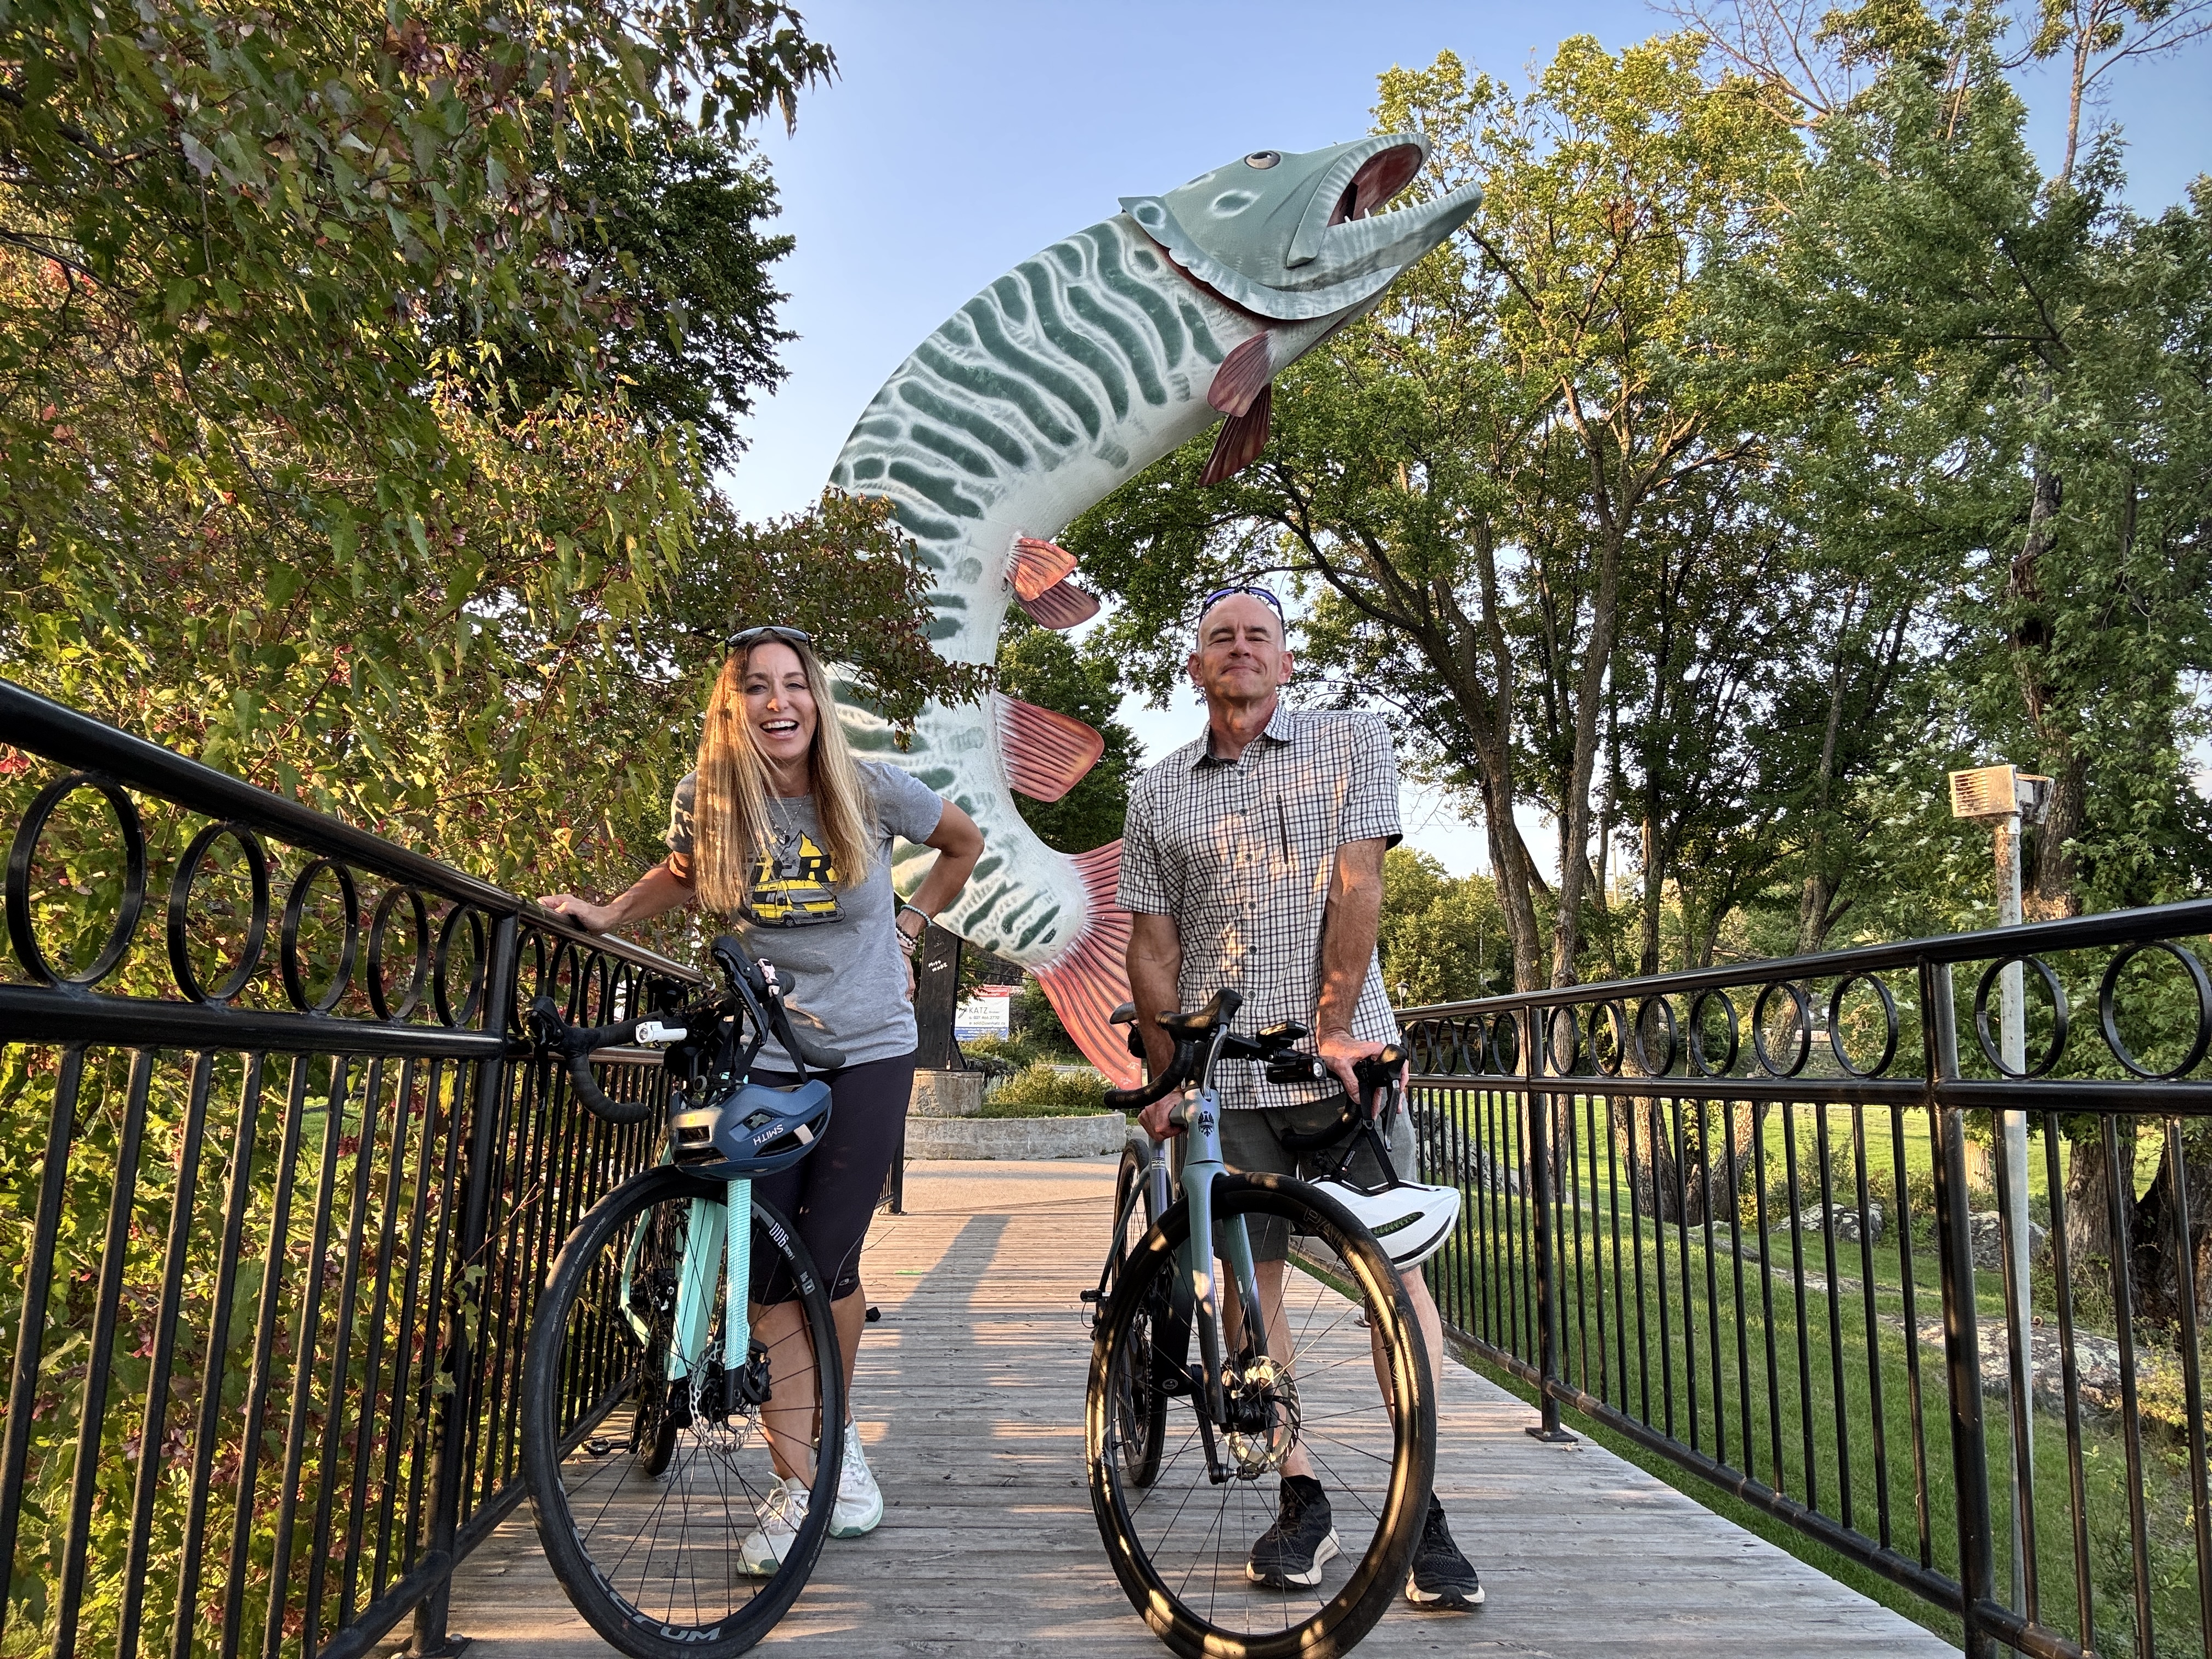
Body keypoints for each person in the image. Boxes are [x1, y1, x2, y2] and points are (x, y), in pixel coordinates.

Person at [538, 624, 984, 1569]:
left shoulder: (863, 787)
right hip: (770, 1058)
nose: (780, 703)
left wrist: (909, 928)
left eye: (795, 685)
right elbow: (685, 873)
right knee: (773, 1272)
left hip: (869, 1050)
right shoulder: (707, 798)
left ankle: (830, 1445)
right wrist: (610, 913)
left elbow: (961, 842)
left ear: (816, 699)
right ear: (733, 706)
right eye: (758, 688)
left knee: (828, 1260)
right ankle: (808, 1477)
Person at [1117, 585, 1483, 1612]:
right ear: (1195, 669)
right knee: (1254, 1287)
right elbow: (1154, 944)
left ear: (1287, 661)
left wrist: (1334, 1025)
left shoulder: (1352, 742)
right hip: (1226, 1072)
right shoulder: (1155, 792)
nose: (1240, 651)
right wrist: (1168, 1078)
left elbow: (1357, 883)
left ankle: (1425, 1507)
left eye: (1259, 636)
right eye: (1220, 639)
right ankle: (1302, 1491)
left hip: (1338, 1061)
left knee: (1393, 1276)